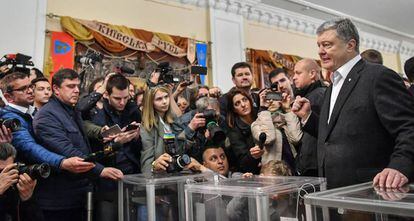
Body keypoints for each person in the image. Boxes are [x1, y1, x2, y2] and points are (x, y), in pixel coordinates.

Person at [292, 18, 414, 189]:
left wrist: (400, 166)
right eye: (319, 45)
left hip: (371, 190)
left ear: (350, 45)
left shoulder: (378, 77)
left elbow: (408, 127)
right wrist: (308, 117)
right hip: (334, 190)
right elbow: (333, 136)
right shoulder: (332, 86)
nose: (320, 51)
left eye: (327, 45)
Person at [33, 69, 123, 221]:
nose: (76, 90)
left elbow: (83, 145)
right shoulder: (47, 115)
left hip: (78, 193)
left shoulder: (71, 110)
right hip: (59, 199)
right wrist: (101, 170)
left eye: (77, 86)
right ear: (55, 89)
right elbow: (67, 150)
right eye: (70, 86)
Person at [0, 72, 95, 173]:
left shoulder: (34, 111)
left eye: (30, 86)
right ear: (8, 97)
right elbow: (29, 147)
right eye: (23, 89)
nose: (30, 91)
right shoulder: (9, 118)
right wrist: (61, 162)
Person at [89, 74, 141, 221]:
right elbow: (95, 154)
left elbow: (141, 149)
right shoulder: (98, 117)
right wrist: (117, 143)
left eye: (126, 97)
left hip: (132, 177)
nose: (122, 102)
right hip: (107, 181)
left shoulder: (133, 111)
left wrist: (137, 137)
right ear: (106, 95)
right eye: (117, 98)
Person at [292, 59, 326, 176]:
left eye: (298, 73)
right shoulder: (311, 95)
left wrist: (305, 165)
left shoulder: (317, 95)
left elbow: (312, 138)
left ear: (312, 74)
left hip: (312, 166)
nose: (294, 77)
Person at [140, 86, 181, 173]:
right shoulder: (147, 126)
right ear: (151, 103)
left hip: (177, 173)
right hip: (158, 177)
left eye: (166, 97)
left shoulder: (174, 119)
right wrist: (154, 165)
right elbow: (146, 165)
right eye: (159, 99)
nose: (165, 102)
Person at [0, 144, 42, 221]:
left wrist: (27, 199)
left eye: (9, 169)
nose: (6, 175)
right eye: (1, 171)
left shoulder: (15, 184)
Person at [226, 88, 261, 174]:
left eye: (244, 100)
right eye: (237, 103)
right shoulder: (234, 131)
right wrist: (252, 155)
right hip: (252, 172)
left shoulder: (260, 115)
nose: (243, 105)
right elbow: (243, 162)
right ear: (234, 109)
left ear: (249, 101)